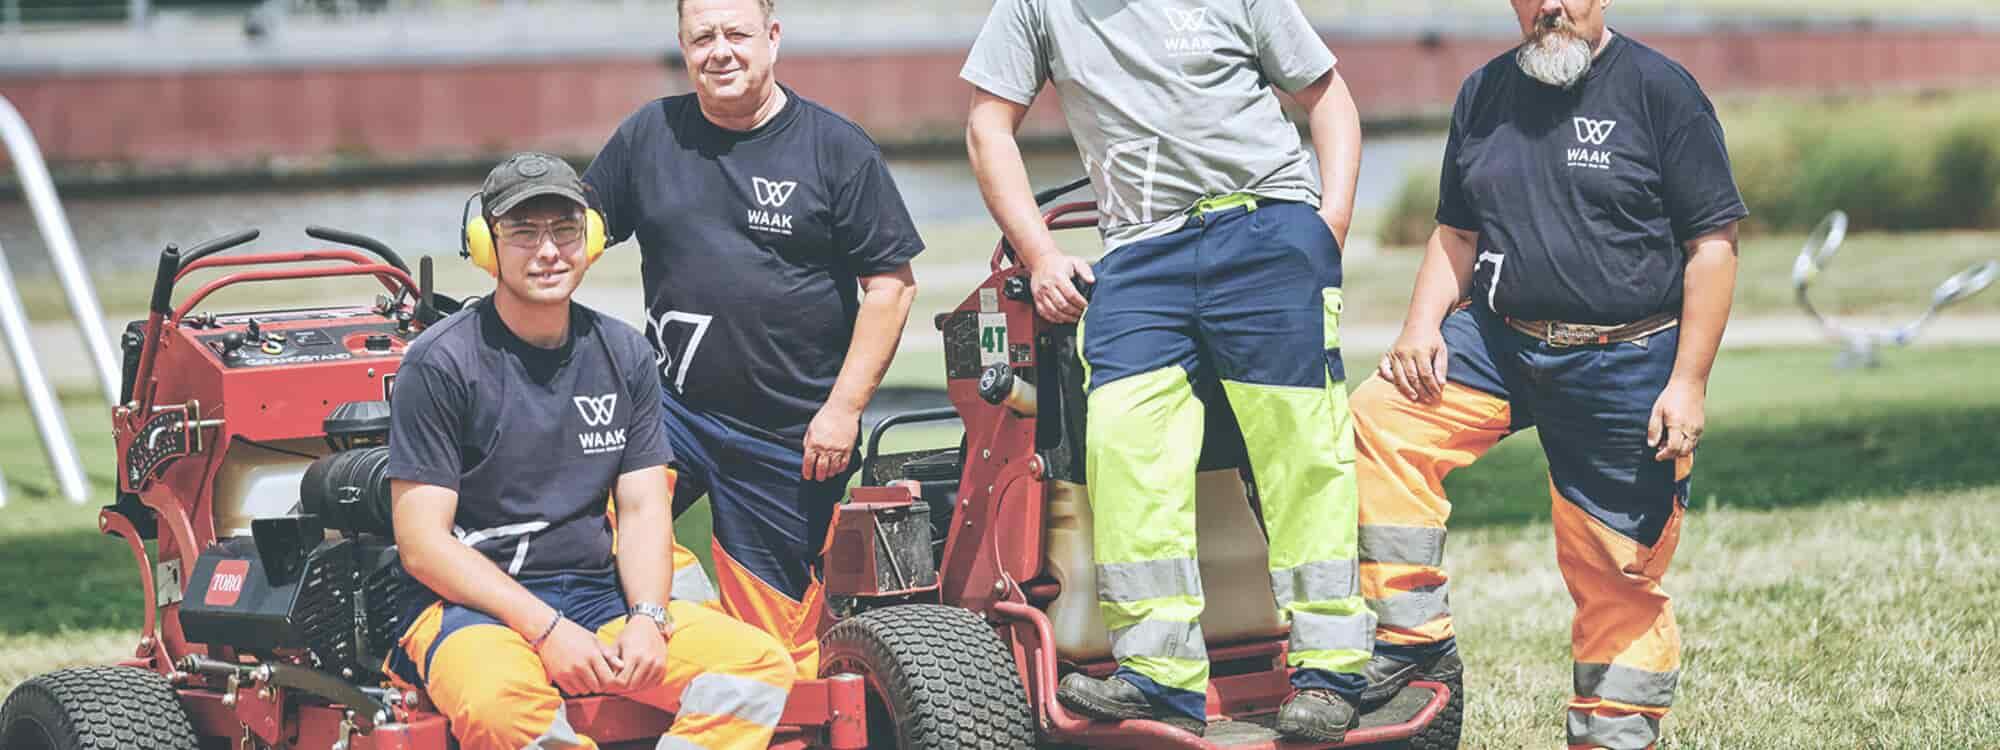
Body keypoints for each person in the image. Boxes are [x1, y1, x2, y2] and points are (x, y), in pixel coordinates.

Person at [963, 0, 1373, 740]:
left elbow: (1327, 96)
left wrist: (1327, 224)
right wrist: (1042, 253)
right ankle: (1157, 673)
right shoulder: (1034, 7)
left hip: (1266, 224)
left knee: (1302, 453)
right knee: (1122, 445)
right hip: (1138, 252)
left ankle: (1330, 670)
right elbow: (988, 125)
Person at [1351, 0, 1747, 747]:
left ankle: (1611, 733)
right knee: (1381, 418)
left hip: (1627, 360)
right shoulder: (1484, 92)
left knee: (1616, 571)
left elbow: (1713, 248)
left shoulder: (1662, 91)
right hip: (1498, 344)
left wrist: (1687, 381)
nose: (1552, 6)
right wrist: (1418, 328)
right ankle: (1411, 641)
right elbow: (1457, 232)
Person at [386, 153, 796, 750]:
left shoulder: (624, 354)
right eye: (522, 233)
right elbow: (424, 546)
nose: (547, 250)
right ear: (485, 246)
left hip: (596, 594)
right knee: (500, 709)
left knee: (758, 666)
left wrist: (649, 620)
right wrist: (547, 630)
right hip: (469, 607)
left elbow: (643, 510)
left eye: (564, 230)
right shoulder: (440, 362)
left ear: (593, 240)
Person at [582, 0, 923, 679]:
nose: (720, 51)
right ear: (683, 48)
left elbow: (891, 286)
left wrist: (843, 410)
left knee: (780, 648)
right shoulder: (650, 135)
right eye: (701, 37)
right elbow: (571, 239)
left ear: (772, 38)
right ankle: (676, 632)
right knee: (583, 529)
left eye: (737, 34)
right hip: (671, 410)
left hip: (790, 435)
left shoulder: (836, 148)